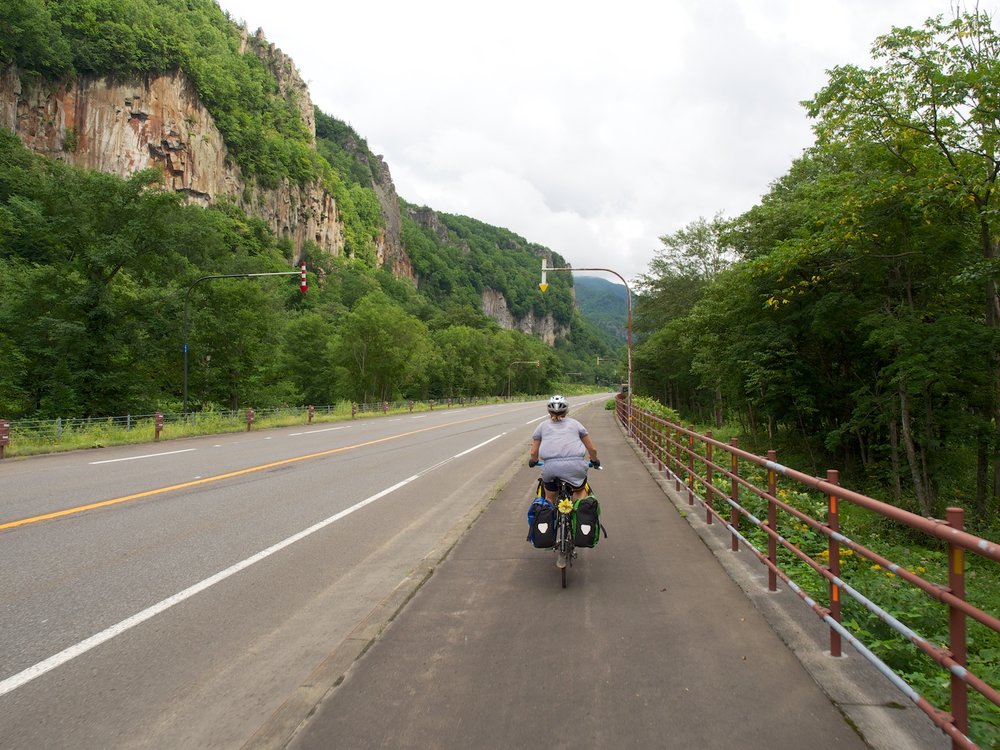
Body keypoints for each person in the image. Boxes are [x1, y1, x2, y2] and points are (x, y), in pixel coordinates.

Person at [528, 395, 599, 502]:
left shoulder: (542, 426)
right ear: (566, 410)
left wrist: (533, 461)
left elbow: (533, 452)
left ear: (549, 411)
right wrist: (594, 460)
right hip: (575, 467)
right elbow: (592, 449)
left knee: (550, 497)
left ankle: (549, 515)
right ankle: (578, 511)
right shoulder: (576, 424)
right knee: (579, 492)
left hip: (550, 469)